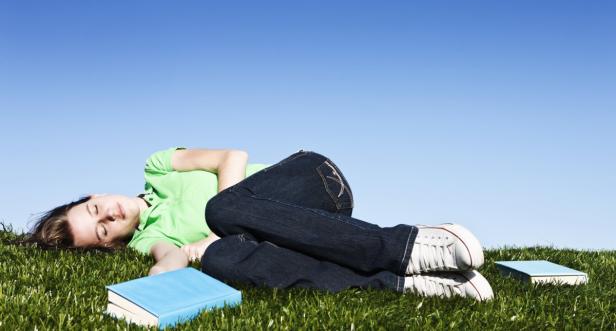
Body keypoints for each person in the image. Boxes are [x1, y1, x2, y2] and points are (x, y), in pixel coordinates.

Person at [26, 147, 494, 301]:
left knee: (221, 215)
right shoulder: (146, 238)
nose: (109, 217)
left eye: (95, 211)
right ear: (111, 244)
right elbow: (170, 256)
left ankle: (408, 246)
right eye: (103, 231)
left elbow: (233, 155)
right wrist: (163, 270)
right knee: (219, 255)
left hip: (311, 183)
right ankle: (406, 283)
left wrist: (222, 216)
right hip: (298, 233)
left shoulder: (157, 166)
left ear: (92, 195)